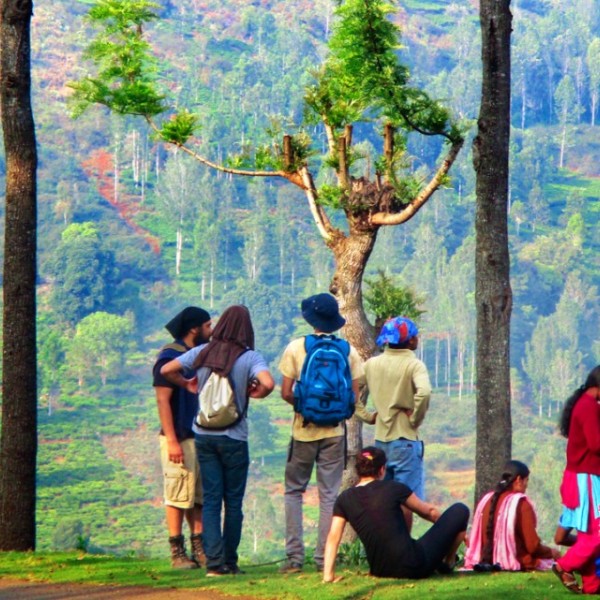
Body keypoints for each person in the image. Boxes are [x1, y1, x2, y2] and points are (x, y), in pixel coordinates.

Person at [161, 305, 274, 577]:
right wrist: (255, 393)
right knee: (233, 502)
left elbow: (167, 370)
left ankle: (213, 564)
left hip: (203, 436)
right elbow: (269, 383)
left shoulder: (203, 352)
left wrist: (187, 383)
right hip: (234, 437)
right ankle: (230, 561)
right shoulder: (249, 357)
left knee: (211, 500)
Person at [278, 293, 375, 574]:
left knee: (294, 491)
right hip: (335, 432)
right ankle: (323, 558)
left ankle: (294, 559)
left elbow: (286, 392)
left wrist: (306, 409)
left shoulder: (297, 347)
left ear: (312, 320)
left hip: (303, 431)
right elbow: (354, 397)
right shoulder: (348, 350)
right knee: (329, 495)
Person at [323, 446, 469, 582]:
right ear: (382, 469)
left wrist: (328, 575)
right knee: (460, 510)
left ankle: (444, 561)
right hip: (415, 566)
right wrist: (454, 527)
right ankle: (448, 562)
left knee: (408, 524)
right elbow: (429, 512)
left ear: (358, 470)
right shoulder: (394, 488)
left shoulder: (344, 498)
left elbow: (333, 537)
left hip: (380, 570)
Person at [152, 306, 213, 569]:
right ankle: (177, 552)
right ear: (194, 329)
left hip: (197, 434)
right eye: (208, 326)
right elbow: (163, 401)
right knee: (177, 493)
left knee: (197, 495)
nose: (211, 331)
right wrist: (173, 440)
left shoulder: (195, 357)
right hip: (178, 436)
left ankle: (199, 546)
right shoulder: (169, 358)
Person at [365, 316, 431, 532]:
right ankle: (402, 549)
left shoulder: (372, 364)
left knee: (384, 500)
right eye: (415, 336)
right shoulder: (414, 365)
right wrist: (414, 419)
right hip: (405, 442)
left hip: (380, 442)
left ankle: (386, 548)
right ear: (410, 341)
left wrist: (365, 415)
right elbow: (425, 392)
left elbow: (351, 388)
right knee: (406, 500)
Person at [553, 365, 600, 594]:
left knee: (588, 534)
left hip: (580, 475)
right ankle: (564, 565)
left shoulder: (583, 404)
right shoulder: (589, 407)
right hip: (587, 477)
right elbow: (596, 444)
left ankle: (592, 585)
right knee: (596, 535)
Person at [464, 460, 559, 572]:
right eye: (526, 480)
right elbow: (533, 547)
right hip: (517, 561)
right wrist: (552, 552)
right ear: (519, 480)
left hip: (484, 561)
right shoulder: (521, 503)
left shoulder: (486, 500)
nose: (526, 486)